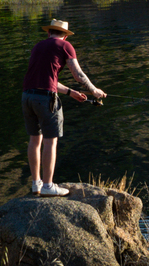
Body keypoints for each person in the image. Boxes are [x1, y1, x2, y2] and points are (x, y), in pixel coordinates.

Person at [19, 18, 105, 196]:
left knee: (35, 141)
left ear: (49, 32)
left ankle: (36, 184)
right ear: (65, 36)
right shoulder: (65, 46)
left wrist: (70, 92)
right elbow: (78, 74)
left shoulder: (38, 46)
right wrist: (94, 90)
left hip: (27, 96)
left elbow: (45, 80)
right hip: (45, 99)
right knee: (51, 141)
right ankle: (48, 186)